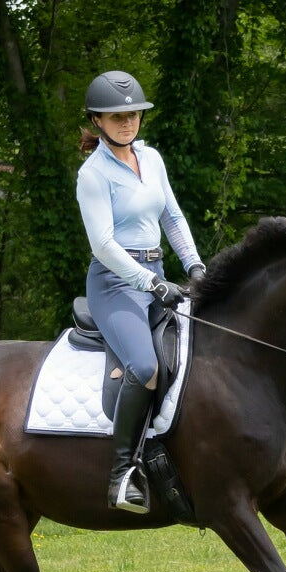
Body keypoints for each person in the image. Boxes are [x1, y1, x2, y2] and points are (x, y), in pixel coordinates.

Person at [76, 70, 205, 514]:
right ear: (97, 121)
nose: (127, 123)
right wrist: (149, 282)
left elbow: (172, 217)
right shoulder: (93, 175)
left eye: (132, 114)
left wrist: (194, 265)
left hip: (159, 275)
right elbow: (104, 246)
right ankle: (122, 474)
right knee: (146, 365)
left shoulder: (151, 159)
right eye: (116, 117)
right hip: (115, 283)